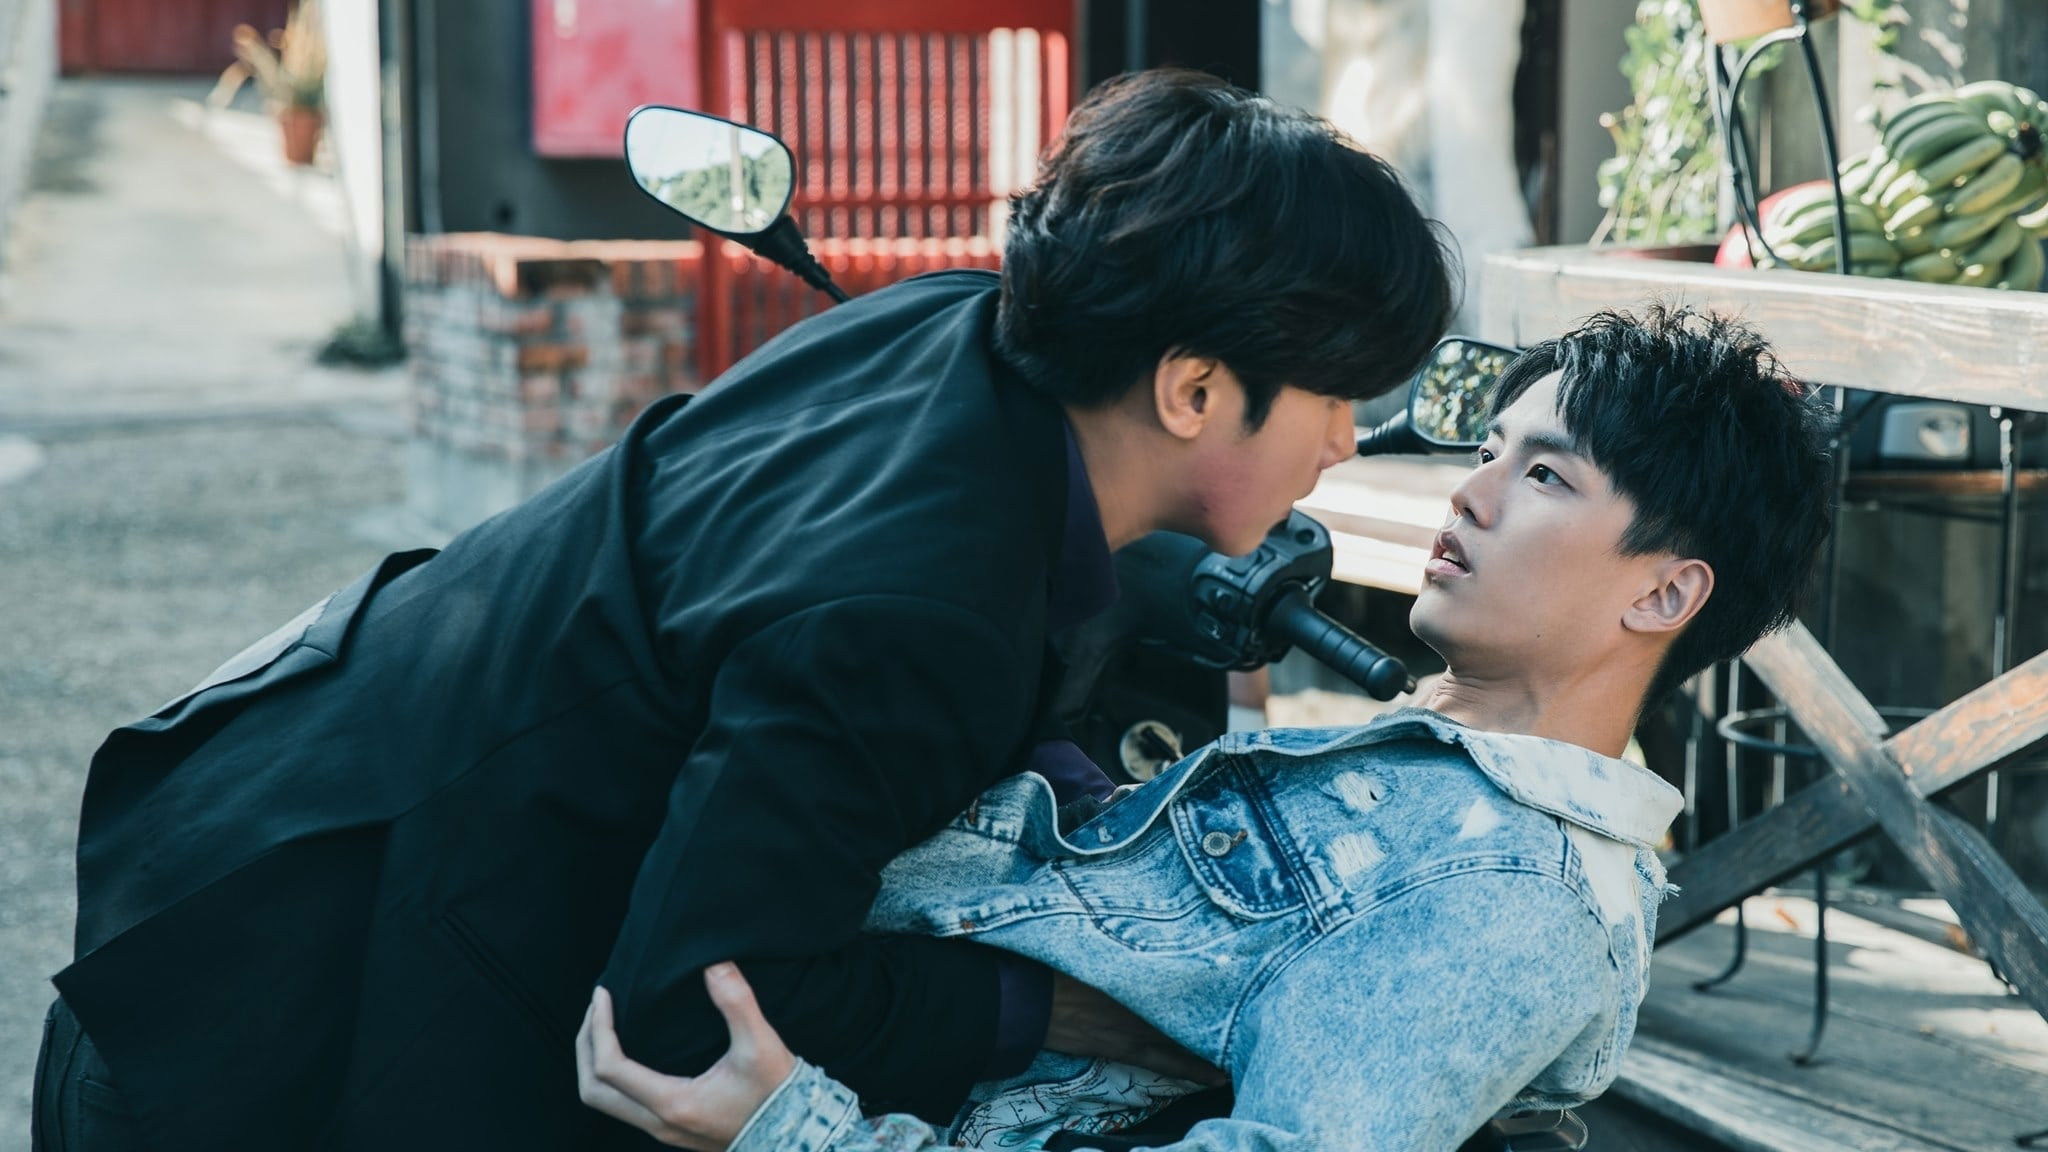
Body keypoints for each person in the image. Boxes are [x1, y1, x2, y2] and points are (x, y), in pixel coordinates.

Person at [32, 69, 1456, 1151]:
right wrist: (1077, 1012)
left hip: (256, 833)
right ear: (1193, 389)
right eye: (1336, 396)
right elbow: (694, 1013)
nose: (1346, 440)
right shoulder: (923, 611)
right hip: (272, 1030)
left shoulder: (949, 324)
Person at [574, 305, 1837, 1150]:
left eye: (1544, 475)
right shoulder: (1430, 773)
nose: (1469, 492)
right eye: (1491, 450)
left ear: (1662, 593)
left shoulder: (1515, 902)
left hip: (782, 1073)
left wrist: (797, 1135)